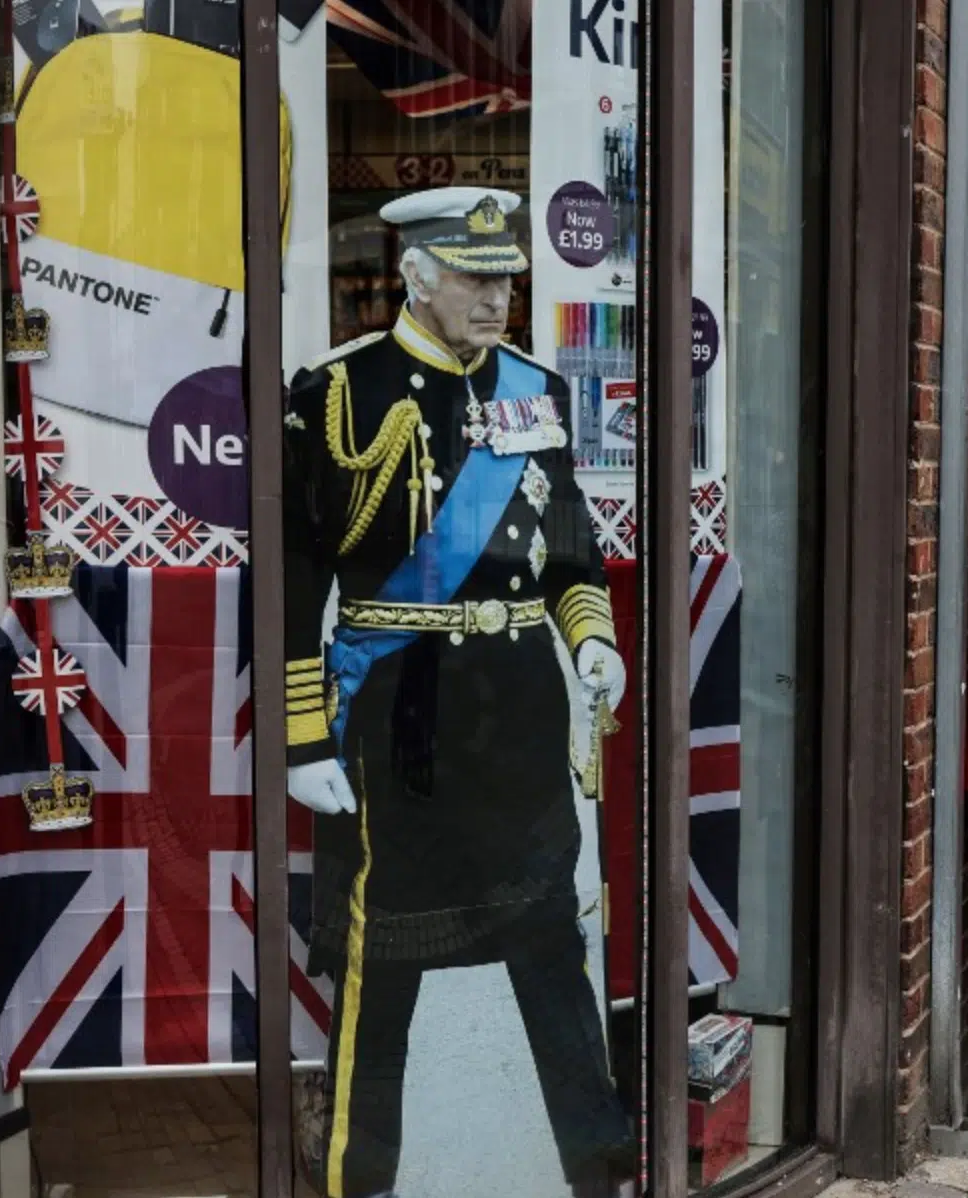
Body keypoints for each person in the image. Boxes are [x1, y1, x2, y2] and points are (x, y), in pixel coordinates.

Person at [282, 187, 631, 1196]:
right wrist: (305, 742)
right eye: (478, 277)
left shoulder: (532, 387)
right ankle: (363, 1178)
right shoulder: (338, 393)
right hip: (402, 720)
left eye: (508, 277)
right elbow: (298, 581)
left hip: (519, 713)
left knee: (553, 956)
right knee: (378, 967)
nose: (499, 296)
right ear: (417, 273)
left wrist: (592, 643)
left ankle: (592, 1170)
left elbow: (570, 550)